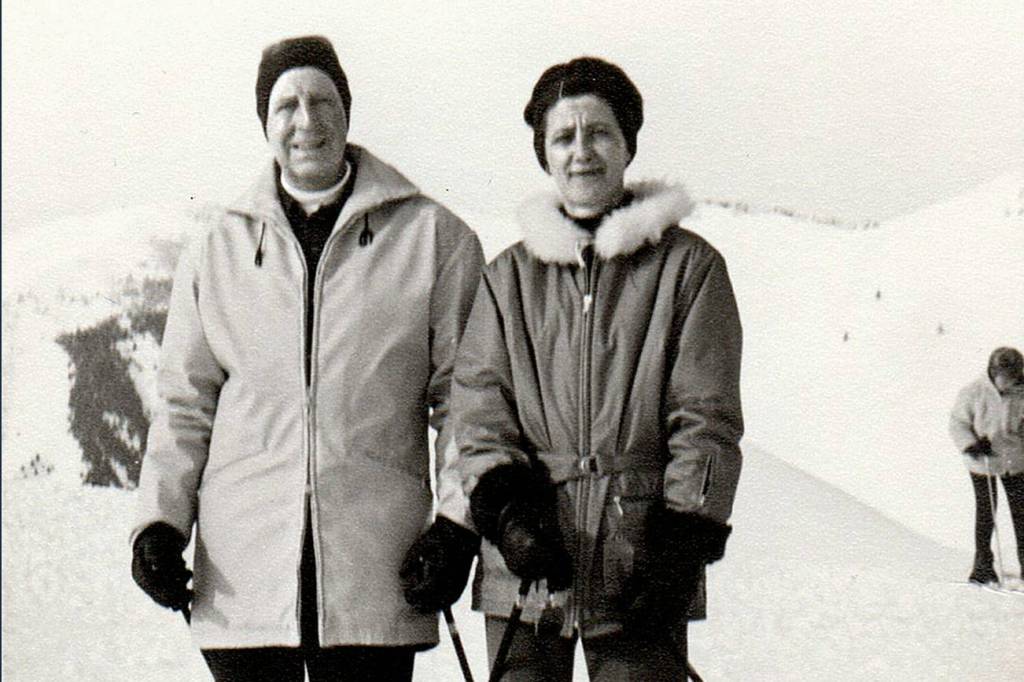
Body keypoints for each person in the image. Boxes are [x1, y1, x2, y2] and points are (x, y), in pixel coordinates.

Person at [130, 35, 483, 681]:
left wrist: (456, 527)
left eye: (322, 100)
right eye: (286, 105)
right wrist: (159, 523)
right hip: (244, 580)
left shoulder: (433, 238)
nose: (306, 120)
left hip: (377, 571)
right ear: (265, 123)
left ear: (347, 111)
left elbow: (465, 401)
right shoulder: (216, 247)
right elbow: (184, 402)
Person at [404, 57, 744, 681]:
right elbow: (479, 414)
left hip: (639, 567)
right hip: (527, 570)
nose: (581, 152)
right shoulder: (507, 279)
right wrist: (510, 516)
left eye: (599, 133)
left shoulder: (689, 270)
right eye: (563, 137)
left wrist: (680, 545)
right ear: (544, 154)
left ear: (628, 145)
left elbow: (706, 419)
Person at [949, 346, 1024, 585]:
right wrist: (971, 445)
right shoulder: (974, 392)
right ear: (993, 373)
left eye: (1014, 376)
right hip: (983, 462)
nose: (1010, 382)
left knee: (1021, 513)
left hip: (1015, 461)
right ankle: (982, 567)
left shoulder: (1021, 392)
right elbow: (957, 423)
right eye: (1005, 376)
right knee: (986, 513)